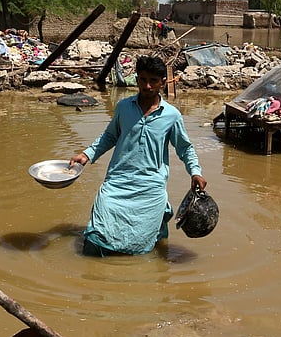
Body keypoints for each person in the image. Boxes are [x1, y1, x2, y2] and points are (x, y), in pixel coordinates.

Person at [70, 56, 207, 257]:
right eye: (142, 79)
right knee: (99, 225)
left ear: (163, 82)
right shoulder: (124, 107)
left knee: (145, 242)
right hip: (117, 181)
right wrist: (87, 154)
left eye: (153, 81)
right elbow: (110, 135)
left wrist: (195, 172)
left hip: (151, 185)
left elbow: (185, 148)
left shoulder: (172, 115)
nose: (147, 86)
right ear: (137, 79)